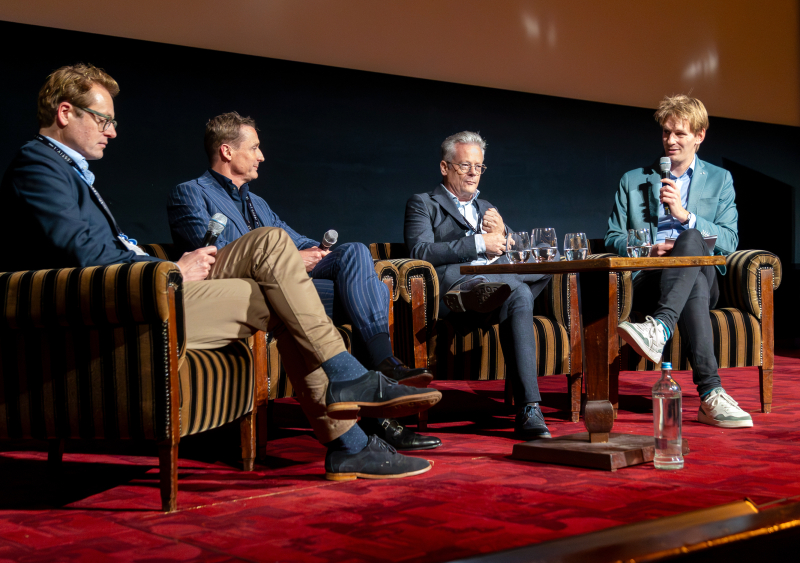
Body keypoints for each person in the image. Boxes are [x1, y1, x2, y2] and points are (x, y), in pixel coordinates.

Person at [0, 63, 442, 480]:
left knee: (286, 275)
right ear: (65, 112)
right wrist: (170, 268)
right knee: (271, 248)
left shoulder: (66, 171)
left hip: (148, 295)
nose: (112, 131)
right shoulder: (38, 166)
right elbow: (90, 255)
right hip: (127, 308)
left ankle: (350, 440)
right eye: (103, 120)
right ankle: (349, 391)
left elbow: (99, 249)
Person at [166, 112, 440, 452]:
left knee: (354, 251)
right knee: (358, 297)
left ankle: (384, 364)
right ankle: (380, 417)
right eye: (254, 148)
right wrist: (295, 258)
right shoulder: (190, 193)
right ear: (226, 151)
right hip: (248, 291)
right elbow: (213, 258)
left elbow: (297, 240)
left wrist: (315, 252)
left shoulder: (256, 202)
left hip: (289, 285)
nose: (261, 156)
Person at [606, 94, 752, 428]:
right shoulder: (633, 180)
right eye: (666, 132)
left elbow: (729, 240)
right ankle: (711, 394)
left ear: (699, 136)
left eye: (680, 133)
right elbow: (613, 237)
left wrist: (685, 216)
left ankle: (659, 327)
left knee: (691, 238)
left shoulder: (719, 179)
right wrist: (647, 250)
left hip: (704, 273)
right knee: (693, 279)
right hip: (650, 279)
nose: (670, 140)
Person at [404, 131, 553, 439]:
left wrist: (505, 236)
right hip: (453, 287)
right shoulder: (423, 203)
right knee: (519, 292)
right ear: (445, 167)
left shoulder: (486, 206)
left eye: (479, 167)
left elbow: (517, 251)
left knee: (548, 263)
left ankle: (488, 294)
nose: (473, 173)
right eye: (465, 166)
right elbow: (420, 251)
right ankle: (530, 408)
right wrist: (478, 243)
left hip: (496, 285)